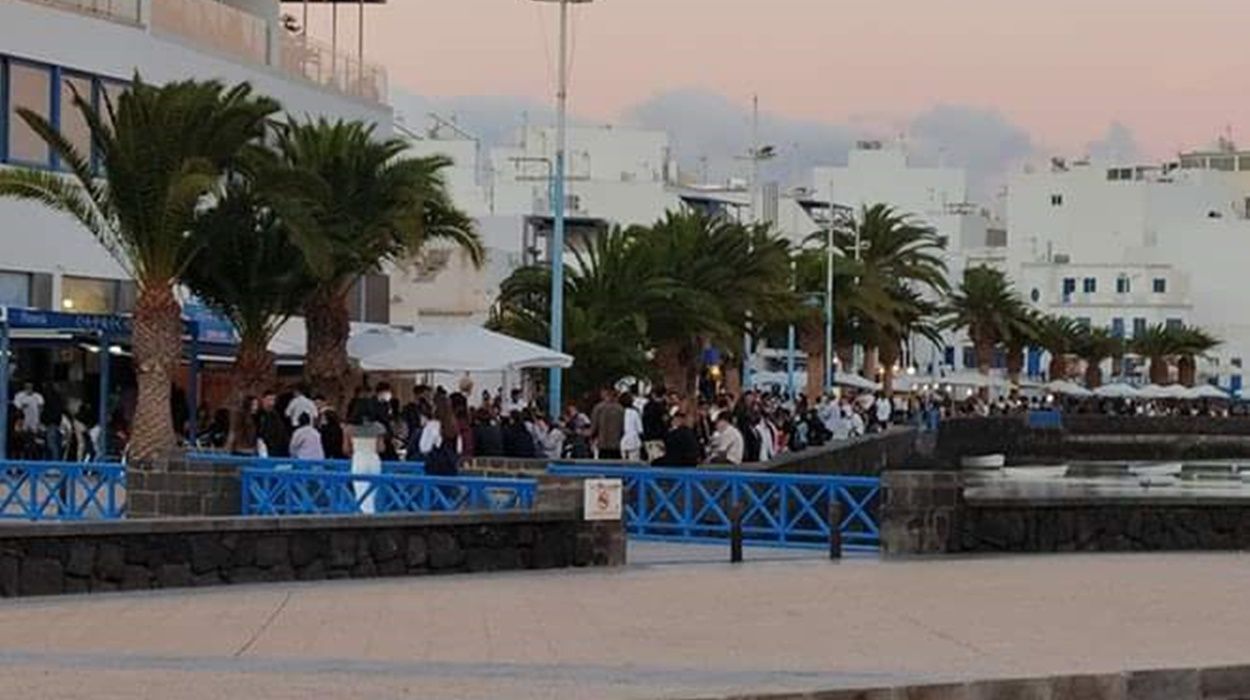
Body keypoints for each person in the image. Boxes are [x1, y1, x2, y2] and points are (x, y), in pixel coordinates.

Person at [419, 394, 462, 476]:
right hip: (451, 469)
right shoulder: (454, 427)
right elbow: (459, 449)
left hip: (435, 471)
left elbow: (424, 448)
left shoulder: (432, 425)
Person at [589, 388, 624, 460]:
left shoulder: (598, 408)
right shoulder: (620, 409)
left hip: (603, 443)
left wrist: (591, 437)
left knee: (603, 465)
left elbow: (594, 427)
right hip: (616, 443)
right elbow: (623, 427)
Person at [255, 391, 289, 458]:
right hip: (263, 447)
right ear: (263, 400)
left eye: (273, 400)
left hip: (276, 448)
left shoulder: (275, 415)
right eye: (269, 400)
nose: (271, 403)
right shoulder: (258, 415)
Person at [641, 387, 668, 463]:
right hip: (659, 438)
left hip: (648, 437)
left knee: (651, 460)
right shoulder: (662, 408)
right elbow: (665, 422)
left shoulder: (647, 406)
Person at [619, 392, 643, 461]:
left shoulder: (620, 412)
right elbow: (640, 429)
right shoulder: (634, 412)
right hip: (634, 441)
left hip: (622, 441)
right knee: (634, 462)